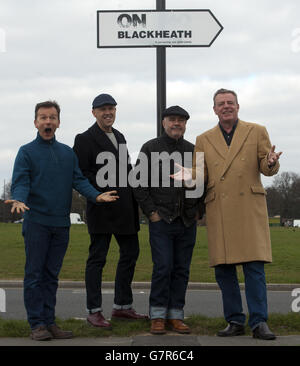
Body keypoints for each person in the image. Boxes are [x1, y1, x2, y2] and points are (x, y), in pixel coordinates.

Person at [173, 89, 282, 340]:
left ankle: (259, 322)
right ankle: (234, 320)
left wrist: (271, 161)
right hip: (220, 208)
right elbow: (202, 174)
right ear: (214, 110)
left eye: (230, 103)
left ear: (238, 106)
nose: (226, 107)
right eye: (220, 104)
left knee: (254, 268)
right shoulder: (204, 138)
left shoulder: (257, 131)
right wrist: (190, 176)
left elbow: (267, 167)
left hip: (248, 208)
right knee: (224, 269)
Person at [5, 100, 118, 341]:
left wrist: (96, 195)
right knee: (35, 275)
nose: (48, 121)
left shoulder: (67, 153)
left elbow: (79, 180)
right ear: (36, 122)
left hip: (60, 225)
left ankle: (49, 322)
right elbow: (22, 181)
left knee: (51, 276)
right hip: (37, 223)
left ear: (58, 122)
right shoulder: (26, 152)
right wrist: (19, 199)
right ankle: (36, 324)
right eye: (43, 118)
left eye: (52, 117)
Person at [73, 93, 148, 329]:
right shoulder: (84, 139)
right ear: (94, 112)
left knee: (130, 255)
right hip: (102, 209)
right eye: (103, 109)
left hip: (125, 209)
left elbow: (126, 172)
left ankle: (122, 307)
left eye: (112, 109)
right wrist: (98, 193)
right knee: (97, 259)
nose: (108, 113)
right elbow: (80, 174)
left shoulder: (121, 136)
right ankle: (94, 311)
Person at [133, 105, 203, 335]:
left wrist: (197, 211)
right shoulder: (151, 148)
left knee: (182, 269)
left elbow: (203, 184)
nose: (176, 123)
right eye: (172, 119)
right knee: (163, 267)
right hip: (161, 219)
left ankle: (176, 315)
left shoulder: (194, 151)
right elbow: (138, 183)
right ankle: (158, 315)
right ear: (164, 122)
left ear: (185, 124)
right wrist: (151, 212)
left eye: (181, 121)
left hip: (186, 221)